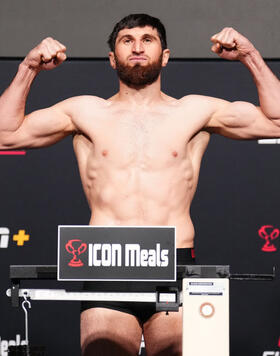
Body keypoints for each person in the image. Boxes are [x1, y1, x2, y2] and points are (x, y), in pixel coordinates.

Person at [0, 12, 280, 356]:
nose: (137, 47)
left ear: (164, 55)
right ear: (111, 58)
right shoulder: (84, 112)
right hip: (106, 263)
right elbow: (6, 133)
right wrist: (29, 68)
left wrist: (250, 55)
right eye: (126, 41)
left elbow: (276, 121)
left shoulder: (195, 111)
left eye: (148, 40)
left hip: (177, 261)